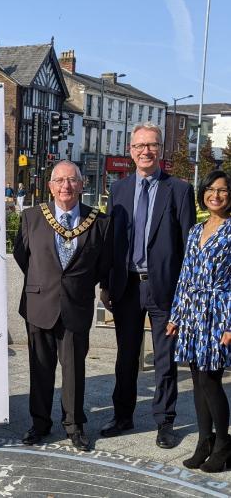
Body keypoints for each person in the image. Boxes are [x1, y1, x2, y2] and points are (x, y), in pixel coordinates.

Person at [100, 122, 196, 449]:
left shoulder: (179, 190)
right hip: (126, 286)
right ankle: (122, 415)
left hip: (165, 289)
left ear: (161, 150)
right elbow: (110, 241)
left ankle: (165, 422)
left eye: (152, 145)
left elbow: (187, 246)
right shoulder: (119, 190)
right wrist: (106, 284)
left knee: (165, 359)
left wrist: (185, 296)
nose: (145, 151)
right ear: (130, 151)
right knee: (126, 356)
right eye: (140, 146)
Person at [14, 161, 112, 450]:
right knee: (40, 368)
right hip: (39, 303)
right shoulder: (31, 217)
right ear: (50, 186)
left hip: (76, 306)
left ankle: (74, 425)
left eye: (72, 180)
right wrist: (44, 281)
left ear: (82, 185)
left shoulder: (99, 222)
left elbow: (103, 264)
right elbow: (23, 256)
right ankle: (40, 423)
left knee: (73, 370)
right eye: (59, 180)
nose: (65, 186)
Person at [166, 170, 231, 472]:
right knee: (196, 378)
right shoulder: (195, 230)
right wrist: (176, 315)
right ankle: (204, 440)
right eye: (210, 189)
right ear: (202, 193)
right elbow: (185, 276)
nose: (215, 195)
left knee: (210, 379)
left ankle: (223, 445)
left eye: (222, 190)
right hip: (192, 312)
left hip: (218, 312)